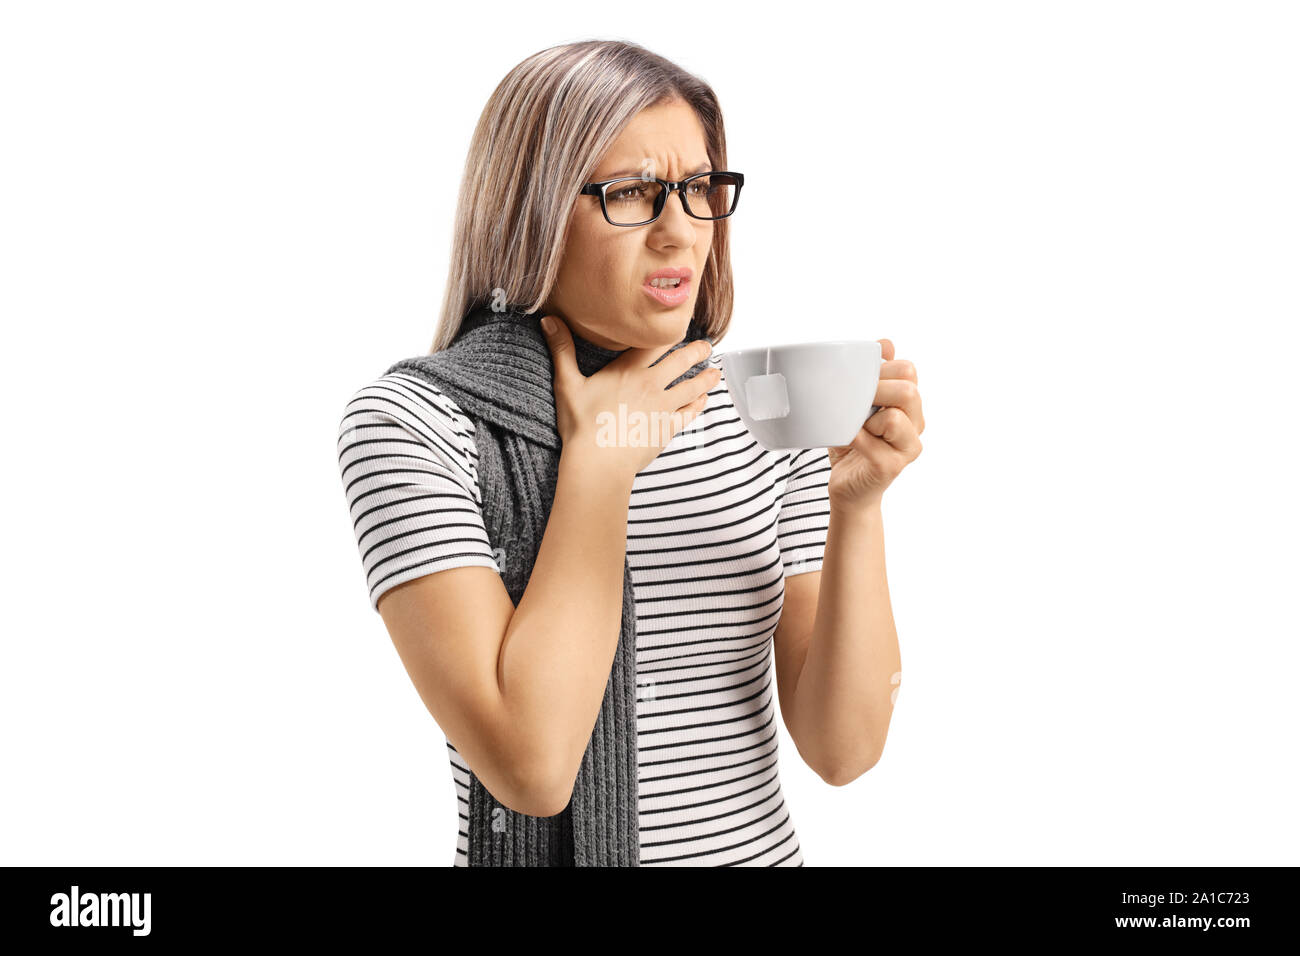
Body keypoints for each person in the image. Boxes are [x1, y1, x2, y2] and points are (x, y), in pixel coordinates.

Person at [336, 39, 924, 866]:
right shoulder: (414, 425)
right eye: (633, 193)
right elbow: (531, 767)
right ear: (529, 212)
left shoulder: (762, 409)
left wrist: (856, 506)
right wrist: (602, 464)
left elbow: (845, 749)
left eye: (697, 190)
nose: (680, 233)